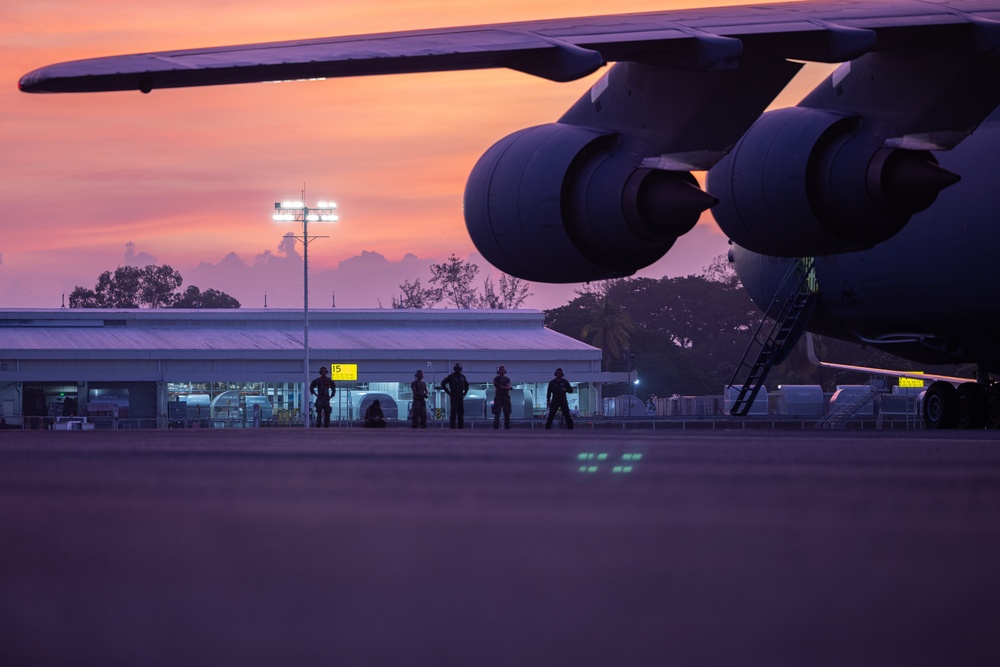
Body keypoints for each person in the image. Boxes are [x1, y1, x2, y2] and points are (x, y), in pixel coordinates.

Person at [439, 362, 470, 429]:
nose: (458, 370)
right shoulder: (450, 377)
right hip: (454, 396)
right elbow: (442, 384)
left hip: (460, 397)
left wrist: (465, 393)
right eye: (456, 368)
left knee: (461, 412)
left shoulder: (463, 377)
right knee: (453, 412)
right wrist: (449, 392)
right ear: (454, 369)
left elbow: (467, 386)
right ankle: (452, 427)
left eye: (459, 368)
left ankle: (461, 427)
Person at [492, 364, 512, 430]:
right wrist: (505, 387)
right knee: (497, 413)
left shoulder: (507, 379)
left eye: (503, 369)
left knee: (507, 413)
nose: (502, 371)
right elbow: (497, 385)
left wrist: (501, 387)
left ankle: (507, 426)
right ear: (499, 371)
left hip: (505, 397)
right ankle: (496, 427)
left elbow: (508, 387)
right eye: (501, 369)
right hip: (498, 397)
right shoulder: (496, 378)